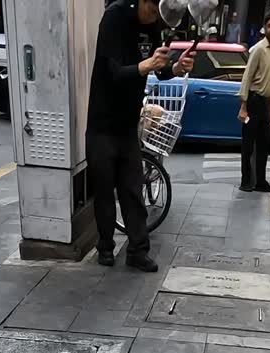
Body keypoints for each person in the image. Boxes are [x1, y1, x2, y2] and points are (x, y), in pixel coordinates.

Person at [86, 0, 194, 271]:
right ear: (142, 2)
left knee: (133, 190)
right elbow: (114, 71)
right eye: (154, 12)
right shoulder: (114, 17)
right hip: (102, 124)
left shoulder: (153, 23)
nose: (156, 19)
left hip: (128, 125)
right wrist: (145, 65)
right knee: (104, 191)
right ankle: (105, 246)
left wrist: (175, 69)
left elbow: (158, 69)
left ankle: (137, 250)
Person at [238, 9, 270, 193]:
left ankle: (261, 181)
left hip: (265, 104)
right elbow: (246, 79)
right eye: (269, 25)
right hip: (253, 102)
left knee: (264, 145)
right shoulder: (257, 50)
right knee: (248, 144)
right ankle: (246, 181)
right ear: (264, 28)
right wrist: (243, 106)